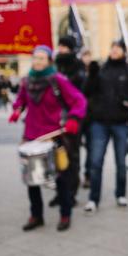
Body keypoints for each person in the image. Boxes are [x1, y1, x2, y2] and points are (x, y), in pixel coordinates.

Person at [10, 45, 86, 231]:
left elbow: (79, 100)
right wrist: (17, 109)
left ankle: (65, 215)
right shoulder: (27, 81)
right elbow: (21, 100)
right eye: (35, 58)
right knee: (32, 179)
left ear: (49, 61)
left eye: (42, 58)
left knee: (61, 179)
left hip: (54, 136)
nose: (37, 61)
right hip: (31, 136)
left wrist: (74, 118)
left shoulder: (57, 80)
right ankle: (36, 216)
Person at [83, 40, 128, 213]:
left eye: (118, 48)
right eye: (112, 48)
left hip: (120, 123)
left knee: (121, 163)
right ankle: (93, 198)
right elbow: (86, 92)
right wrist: (91, 75)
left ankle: (121, 194)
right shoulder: (101, 69)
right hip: (99, 123)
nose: (114, 51)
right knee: (95, 162)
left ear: (123, 51)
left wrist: (127, 104)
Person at [54, 35, 87, 205]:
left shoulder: (77, 65)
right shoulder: (55, 65)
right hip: (55, 115)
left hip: (72, 116)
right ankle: (59, 192)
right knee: (57, 154)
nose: (61, 49)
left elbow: (79, 93)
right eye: (60, 46)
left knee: (72, 155)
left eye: (64, 46)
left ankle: (71, 193)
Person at [80, 49, 99, 187]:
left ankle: (88, 175)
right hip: (79, 115)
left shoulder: (96, 72)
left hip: (92, 116)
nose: (87, 59)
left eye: (89, 56)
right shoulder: (77, 72)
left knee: (91, 148)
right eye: (85, 56)